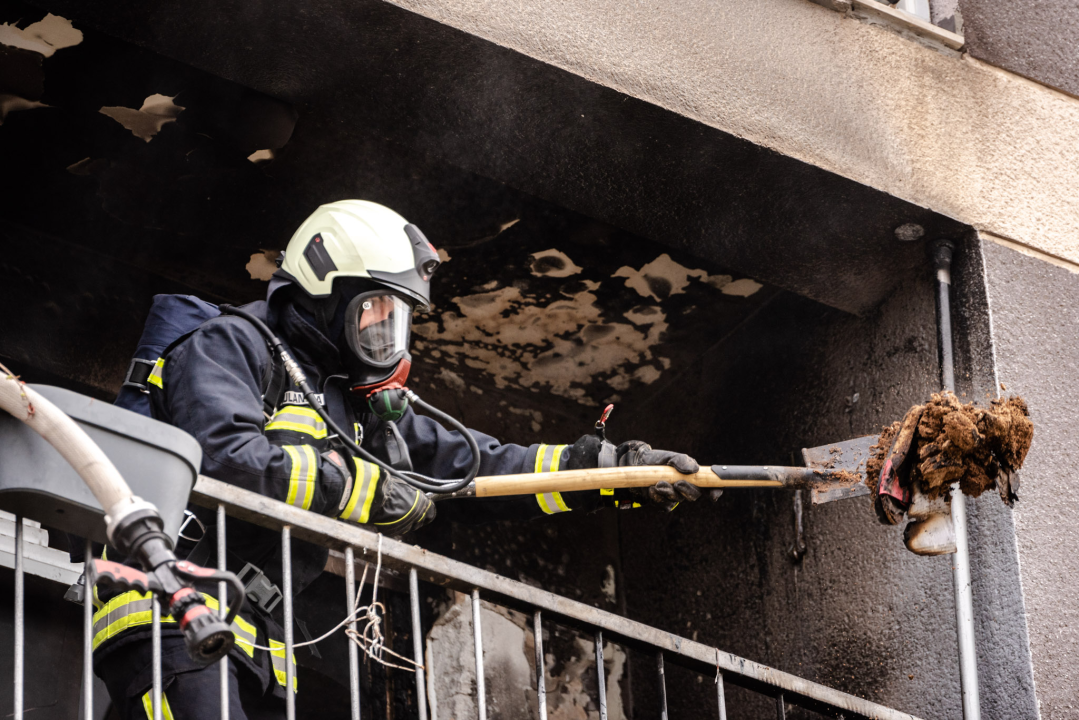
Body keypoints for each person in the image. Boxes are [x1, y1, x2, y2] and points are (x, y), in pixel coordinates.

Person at [93, 200, 716, 719]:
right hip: (168, 613)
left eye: (398, 320)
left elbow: (481, 468)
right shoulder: (234, 343)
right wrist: (365, 491)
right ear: (325, 292)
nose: (386, 336)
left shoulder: (355, 402)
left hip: (249, 636)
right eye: (375, 312)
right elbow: (229, 459)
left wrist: (606, 473)